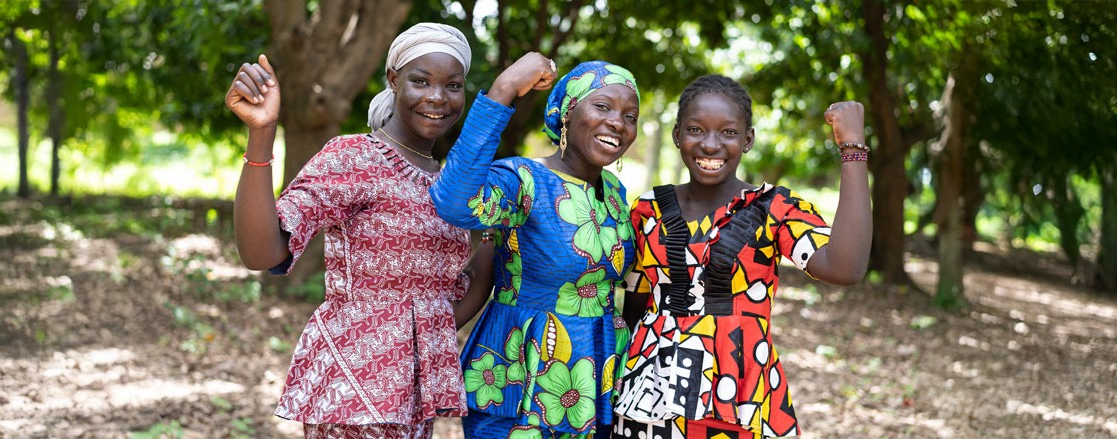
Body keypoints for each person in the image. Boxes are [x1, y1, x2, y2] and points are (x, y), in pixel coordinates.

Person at [225, 22, 493, 438]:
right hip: (352, 393)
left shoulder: (451, 185)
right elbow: (263, 253)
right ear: (393, 80)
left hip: (414, 402)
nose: (437, 98)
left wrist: (509, 230)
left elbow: (450, 299)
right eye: (420, 81)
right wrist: (262, 134)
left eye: (452, 85)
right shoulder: (355, 157)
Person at [612, 74, 872, 438]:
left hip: (738, 395)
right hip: (649, 397)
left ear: (748, 139)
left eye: (729, 132)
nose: (711, 145)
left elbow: (846, 268)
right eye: (696, 130)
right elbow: (634, 307)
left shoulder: (774, 210)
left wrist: (853, 150)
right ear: (677, 136)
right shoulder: (648, 211)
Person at [427, 54, 642, 438]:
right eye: (603, 106)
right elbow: (455, 201)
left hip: (596, 376)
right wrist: (504, 89)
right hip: (521, 373)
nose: (617, 122)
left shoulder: (615, 193)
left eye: (630, 116)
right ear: (567, 114)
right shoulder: (523, 179)